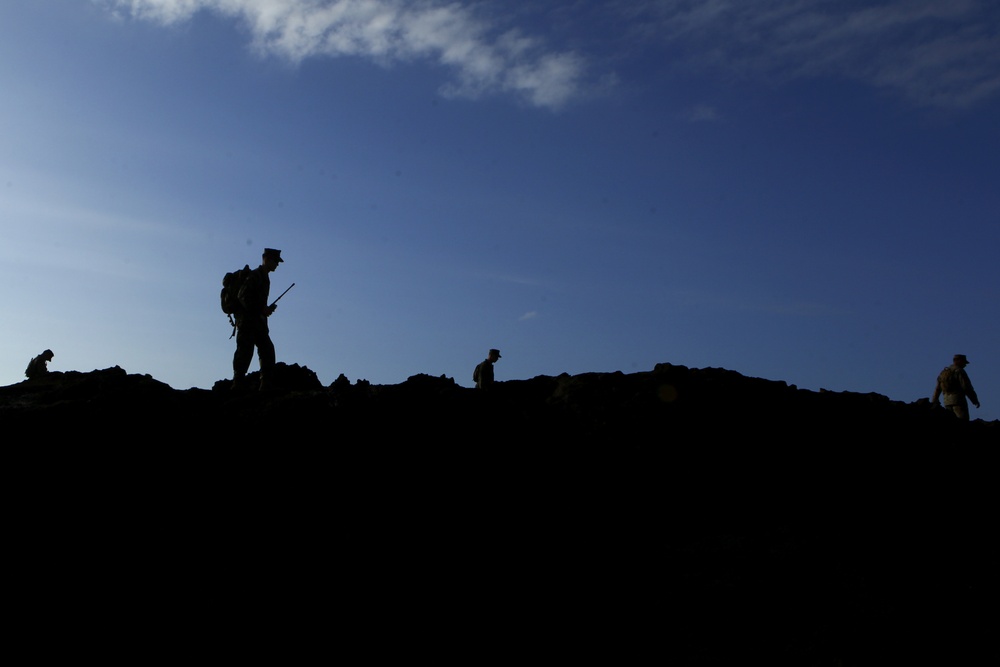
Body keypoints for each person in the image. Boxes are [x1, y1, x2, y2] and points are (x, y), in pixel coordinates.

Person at [232, 248, 283, 390]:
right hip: (247, 322)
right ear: (266, 259)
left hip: (258, 323)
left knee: (266, 349)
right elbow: (242, 296)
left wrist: (264, 310)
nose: (277, 265)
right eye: (275, 261)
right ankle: (238, 384)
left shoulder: (264, 277)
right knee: (245, 352)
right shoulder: (255, 276)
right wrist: (261, 309)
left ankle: (265, 383)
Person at [932, 354, 980, 422]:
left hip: (946, 402)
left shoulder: (944, 372)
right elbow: (967, 387)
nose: (965, 365)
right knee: (963, 422)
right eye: (964, 362)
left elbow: (937, 389)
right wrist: (974, 400)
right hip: (959, 401)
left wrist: (934, 400)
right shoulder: (959, 371)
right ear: (959, 361)